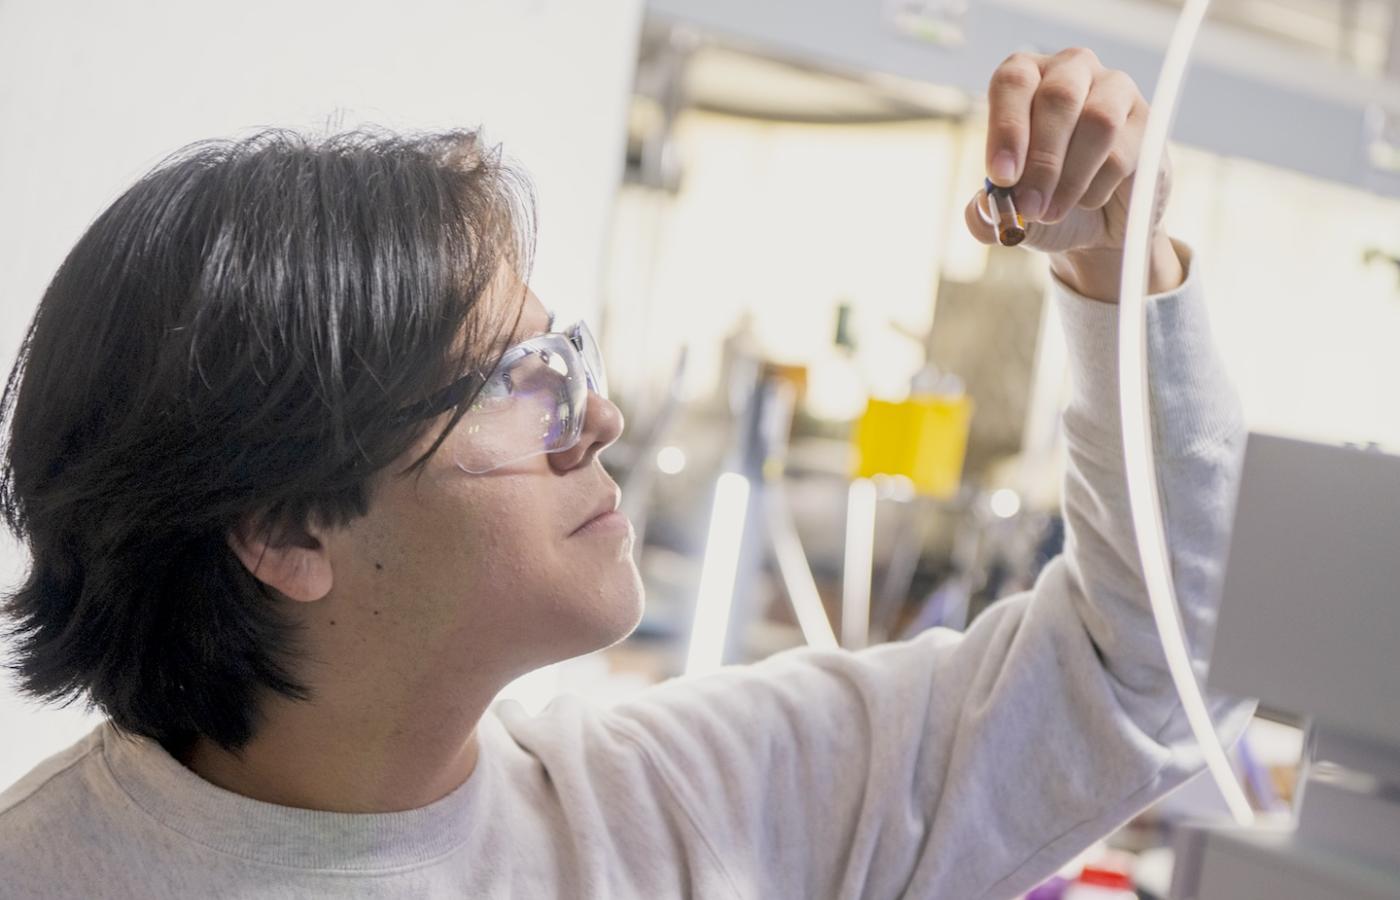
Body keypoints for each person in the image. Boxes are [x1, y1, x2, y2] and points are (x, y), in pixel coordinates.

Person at [0, 48, 1252, 899]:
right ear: (283, 528)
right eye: (512, 377)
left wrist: (1112, 257)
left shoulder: (685, 812)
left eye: (570, 355)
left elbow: (1156, 664)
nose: (595, 412)